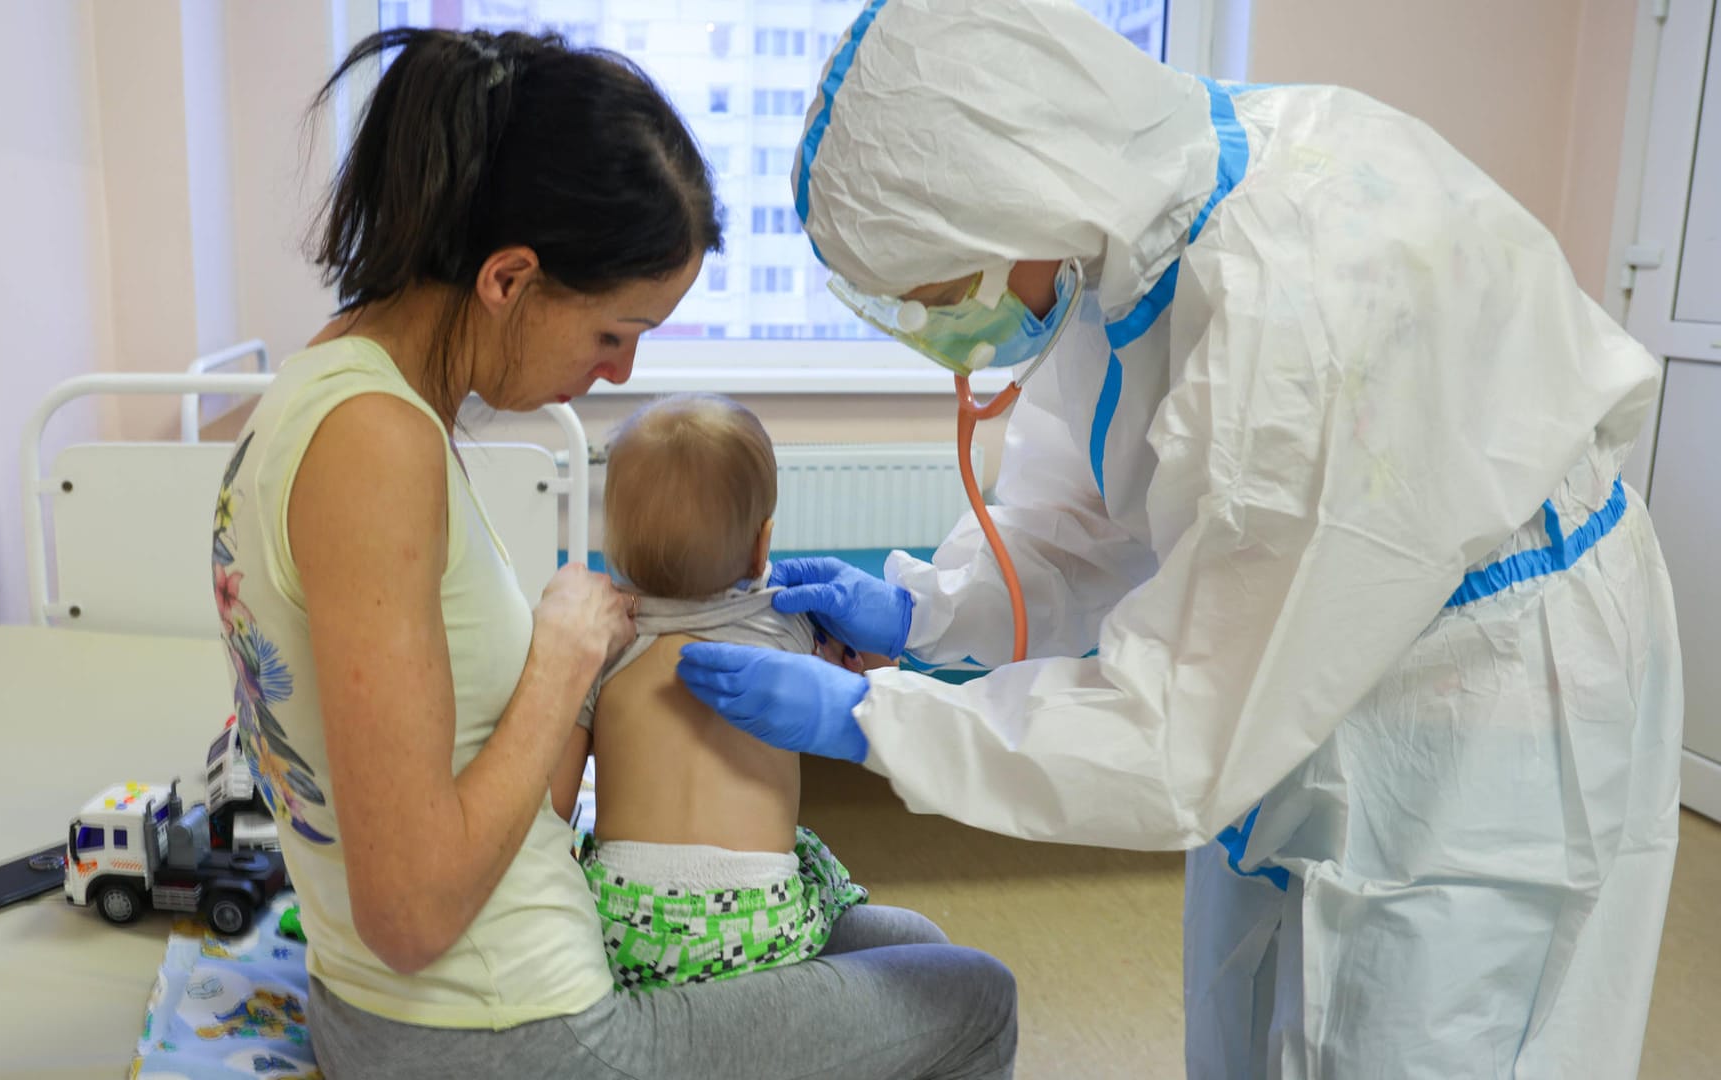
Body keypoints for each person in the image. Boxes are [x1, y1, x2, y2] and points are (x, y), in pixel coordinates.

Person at [675, 1, 1684, 1077]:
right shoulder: (1117, 242)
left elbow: (1176, 733)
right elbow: (1093, 515)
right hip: (1304, 637)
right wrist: (928, 611)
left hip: (1485, 696)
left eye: (937, 296)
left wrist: (881, 720)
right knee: (1252, 1000)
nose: (943, 333)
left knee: (1418, 1031)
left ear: (1012, 193)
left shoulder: (1297, 300)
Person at [213, 26, 1014, 1080]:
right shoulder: (376, 447)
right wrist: (560, 662)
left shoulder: (333, 389)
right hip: (506, 1031)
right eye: (612, 334)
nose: (621, 369)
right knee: (978, 1001)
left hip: (447, 996)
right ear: (509, 279)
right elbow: (409, 912)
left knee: (910, 950)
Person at [555, 393, 1008, 1012]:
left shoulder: (600, 642)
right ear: (762, 545)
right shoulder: (789, 624)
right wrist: (882, 638)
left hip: (629, 927)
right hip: (759, 922)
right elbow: (879, 675)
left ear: (614, 542)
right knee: (816, 868)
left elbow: (552, 811)